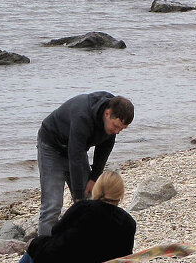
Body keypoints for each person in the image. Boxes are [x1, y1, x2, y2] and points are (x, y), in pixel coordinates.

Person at [35, 92, 133, 238]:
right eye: (116, 126)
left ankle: (88, 247)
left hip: (77, 151)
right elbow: (74, 156)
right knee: (52, 205)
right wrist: (79, 197)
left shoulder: (113, 116)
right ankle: (43, 250)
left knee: (92, 200)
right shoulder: (83, 115)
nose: (117, 132)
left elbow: (103, 151)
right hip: (51, 147)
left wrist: (94, 178)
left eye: (121, 129)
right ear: (107, 113)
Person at [20, 170, 136, 263]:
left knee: (36, 245)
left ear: (98, 188)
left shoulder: (84, 207)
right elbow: (126, 257)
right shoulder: (129, 222)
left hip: (64, 258)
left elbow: (56, 230)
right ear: (120, 194)